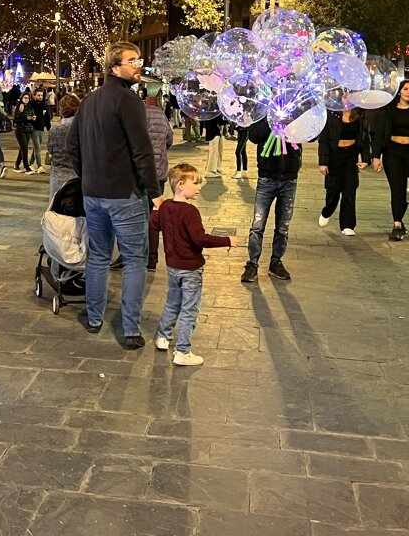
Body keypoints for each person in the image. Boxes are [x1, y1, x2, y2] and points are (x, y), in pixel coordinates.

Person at [66, 42, 164, 349]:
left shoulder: (89, 101)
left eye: (139, 60)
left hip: (93, 193)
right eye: (131, 61)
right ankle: (130, 329)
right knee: (135, 259)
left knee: (98, 256)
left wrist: (88, 176)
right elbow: (142, 150)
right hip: (124, 194)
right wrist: (154, 192)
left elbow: (72, 146)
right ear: (114, 68)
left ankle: (94, 319)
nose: (138, 65)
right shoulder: (129, 100)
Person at [149, 163, 233, 367]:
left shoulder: (166, 207)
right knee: (189, 309)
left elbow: (154, 225)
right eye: (195, 183)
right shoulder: (190, 212)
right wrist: (227, 240)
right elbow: (200, 239)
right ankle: (182, 351)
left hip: (172, 266)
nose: (199, 187)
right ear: (180, 184)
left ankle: (163, 337)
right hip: (191, 269)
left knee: (172, 302)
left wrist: (156, 209)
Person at [244, 118, 301, 283]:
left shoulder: (295, 112)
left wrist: (293, 122)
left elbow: (311, 135)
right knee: (258, 225)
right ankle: (252, 263)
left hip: (289, 178)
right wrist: (271, 121)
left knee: (283, 226)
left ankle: (276, 262)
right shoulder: (264, 112)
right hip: (266, 177)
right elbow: (253, 136)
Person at [371, 80, 409, 241]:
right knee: (397, 188)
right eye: (405, 89)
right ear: (399, 91)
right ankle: (397, 224)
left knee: (406, 190)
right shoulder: (388, 110)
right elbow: (379, 134)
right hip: (392, 152)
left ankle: (400, 220)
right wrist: (375, 157)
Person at [318, 107, 371, 236]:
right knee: (333, 189)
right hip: (334, 155)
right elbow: (323, 140)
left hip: (351, 155)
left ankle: (347, 225)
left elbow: (365, 138)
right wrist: (323, 162)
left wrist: (366, 159)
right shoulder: (331, 115)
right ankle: (327, 211)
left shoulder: (359, 116)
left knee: (350, 189)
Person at [46, 93, 80, 202]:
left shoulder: (55, 130)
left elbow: (50, 149)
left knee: (56, 208)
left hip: (58, 177)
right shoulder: (83, 129)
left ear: (61, 111)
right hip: (78, 176)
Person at [145, 95, 174, 197]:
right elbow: (169, 139)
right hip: (159, 168)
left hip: (140, 171)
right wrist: (161, 148)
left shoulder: (133, 114)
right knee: (156, 200)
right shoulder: (160, 113)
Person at [12, 92, 36, 174]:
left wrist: (33, 118)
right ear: (21, 98)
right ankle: (26, 167)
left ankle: (16, 165)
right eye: (25, 98)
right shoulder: (19, 107)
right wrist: (26, 118)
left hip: (28, 129)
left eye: (28, 98)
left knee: (23, 148)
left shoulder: (30, 107)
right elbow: (16, 120)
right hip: (19, 129)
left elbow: (32, 115)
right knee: (24, 149)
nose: (26, 99)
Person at [28, 89, 50, 174]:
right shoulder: (31, 105)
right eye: (38, 95)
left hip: (41, 129)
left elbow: (47, 117)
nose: (40, 97)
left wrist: (49, 128)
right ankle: (39, 166)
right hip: (34, 129)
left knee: (36, 147)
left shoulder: (44, 105)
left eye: (41, 95)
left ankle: (30, 163)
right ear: (34, 96)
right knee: (38, 148)